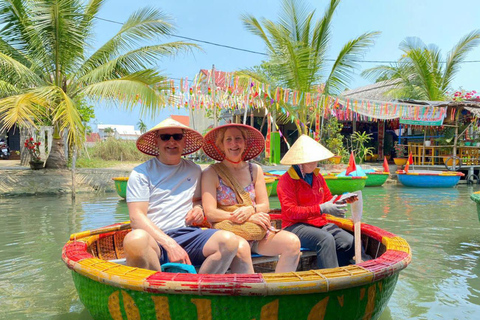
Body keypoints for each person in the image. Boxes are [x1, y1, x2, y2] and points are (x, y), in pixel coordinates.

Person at [124, 118, 250, 274]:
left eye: (177, 137)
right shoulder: (141, 173)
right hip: (155, 239)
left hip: (188, 235)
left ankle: (198, 289)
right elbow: (136, 217)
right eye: (165, 137)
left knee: (229, 241)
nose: (172, 141)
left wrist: (199, 210)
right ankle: (158, 290)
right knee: (135, 240)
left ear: (184, 141)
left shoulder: (194, 169)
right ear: (157, 141)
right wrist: (170, 244)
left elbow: (197, 202)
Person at [201, 123, 301, 273]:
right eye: (228, 139)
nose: (234, 144)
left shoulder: (254, 170)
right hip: (229, 231)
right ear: (221, 145)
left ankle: (279, 290)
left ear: (245, 143)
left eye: (238, 139)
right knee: (241, 248)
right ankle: (252, 292)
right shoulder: (211, 172)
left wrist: (251, 210)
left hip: (256, 231)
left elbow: (264, 205)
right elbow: (210, 213)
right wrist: (243, 217)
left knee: (292, 243)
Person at [277, 134, 359, 269]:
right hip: (295, 226)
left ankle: (336, 270)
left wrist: (343, 199)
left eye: (315, 161)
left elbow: (328, 199)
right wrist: (321, 209)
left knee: (349, 241)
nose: (314, 164)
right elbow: (291, 212)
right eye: (310, 161)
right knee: (325, 239)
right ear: (300, 163)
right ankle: (331, 278)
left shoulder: (318, 177)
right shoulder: (286, 181)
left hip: (318, 224)